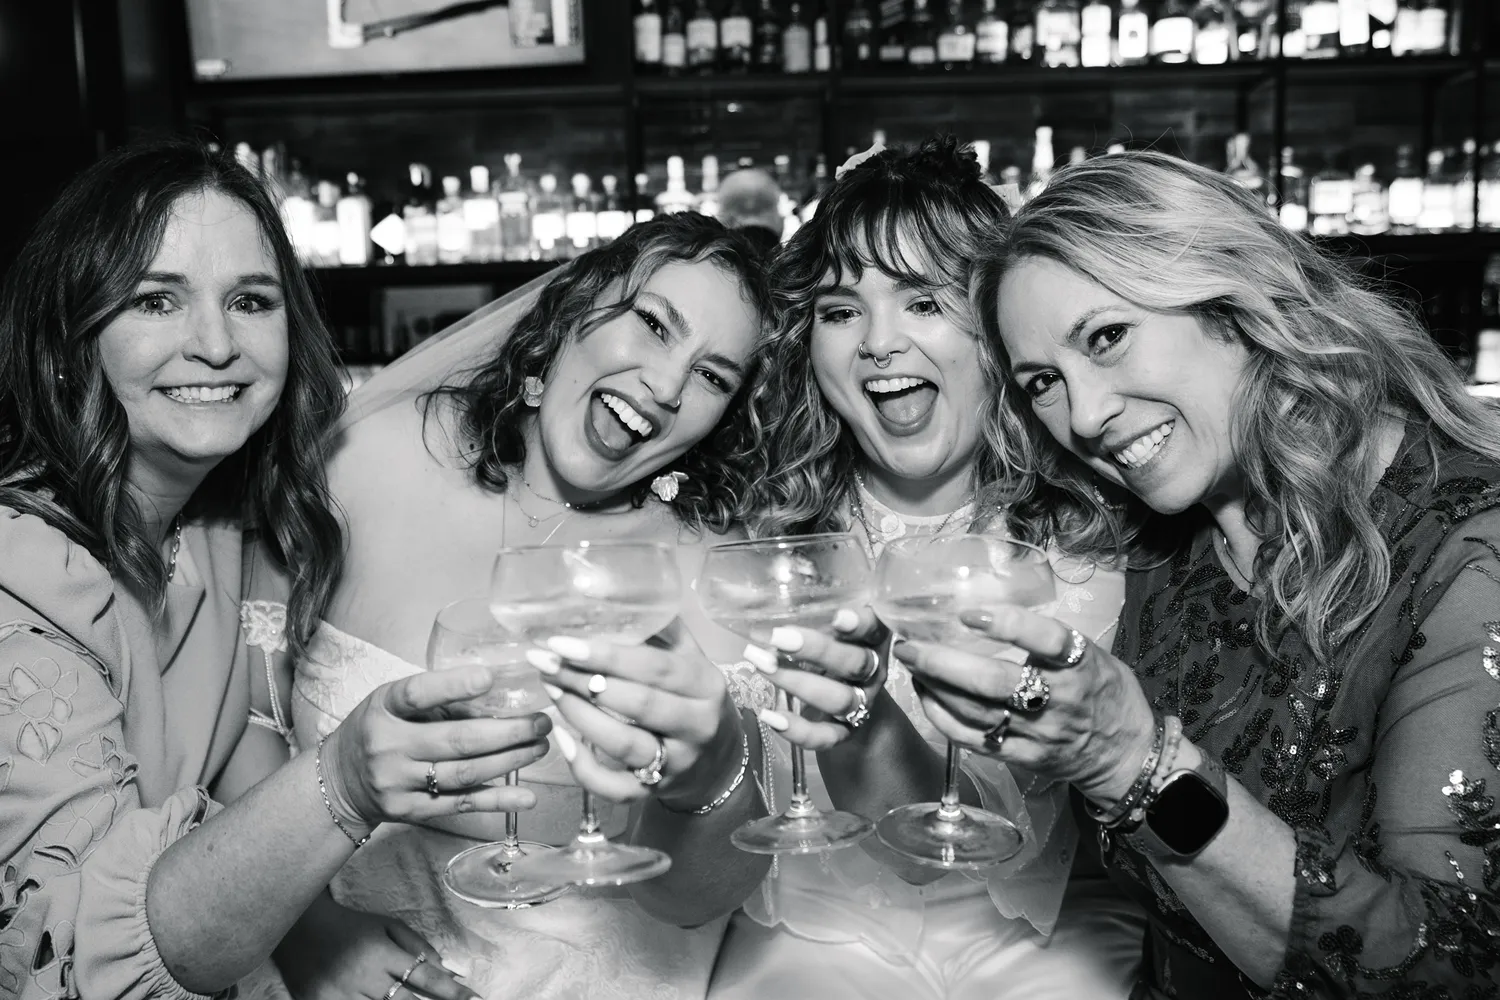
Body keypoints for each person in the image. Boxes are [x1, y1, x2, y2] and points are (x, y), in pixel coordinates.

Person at [904, 149, 1500, 997]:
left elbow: (1449, 970)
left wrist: (1132, 762)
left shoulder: (1467, 552)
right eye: (1044, 382)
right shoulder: (1165, 543)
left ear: (1231, 296)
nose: (1084, 415)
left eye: (1107, 338)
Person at [0, 138, 556, 1000]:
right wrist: (344, 783)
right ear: (72, 336)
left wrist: (311, 931)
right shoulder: (22, 582)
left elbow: (233, 764)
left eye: (250, 301)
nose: (216, 344)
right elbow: (70, 960)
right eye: (156, 300)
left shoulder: (228, 527)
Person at [272, 212, 778, 1000]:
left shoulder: (709, 570)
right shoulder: (372, 457)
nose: (667, 386)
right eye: (651, 324)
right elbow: (237, 720)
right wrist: (303, 930)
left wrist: (710, 773)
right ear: (573, 309)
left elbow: (700, 895)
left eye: (713, 375)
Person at [706, 137, 1144, 1000]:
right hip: (805, 924)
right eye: (840, 310)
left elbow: (951, 846)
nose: (878, 343)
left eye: (922, 302)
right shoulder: (756, 534)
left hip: (1026, 930)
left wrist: (860, 699)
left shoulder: (1081, 540)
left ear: (995, 329)